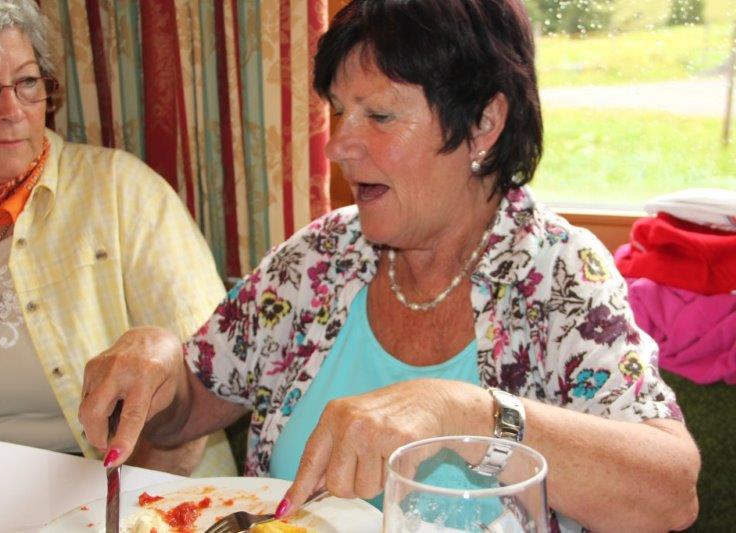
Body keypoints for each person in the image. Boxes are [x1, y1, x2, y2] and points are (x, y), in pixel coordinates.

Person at [78, 0, 700, 529]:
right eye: (338, 110)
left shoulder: (558, 274)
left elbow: (671, 495)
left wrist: (465, 413)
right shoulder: (320, 259)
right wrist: (157, 363)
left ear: (484, 123)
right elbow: (192, 404)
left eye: (378, 115)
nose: (339, 145)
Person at [0, 0, 235, 476]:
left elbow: (206, 378)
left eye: (27, 82)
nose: (11, 110)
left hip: (116, 488)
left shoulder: (120, 190)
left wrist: (119, 506)